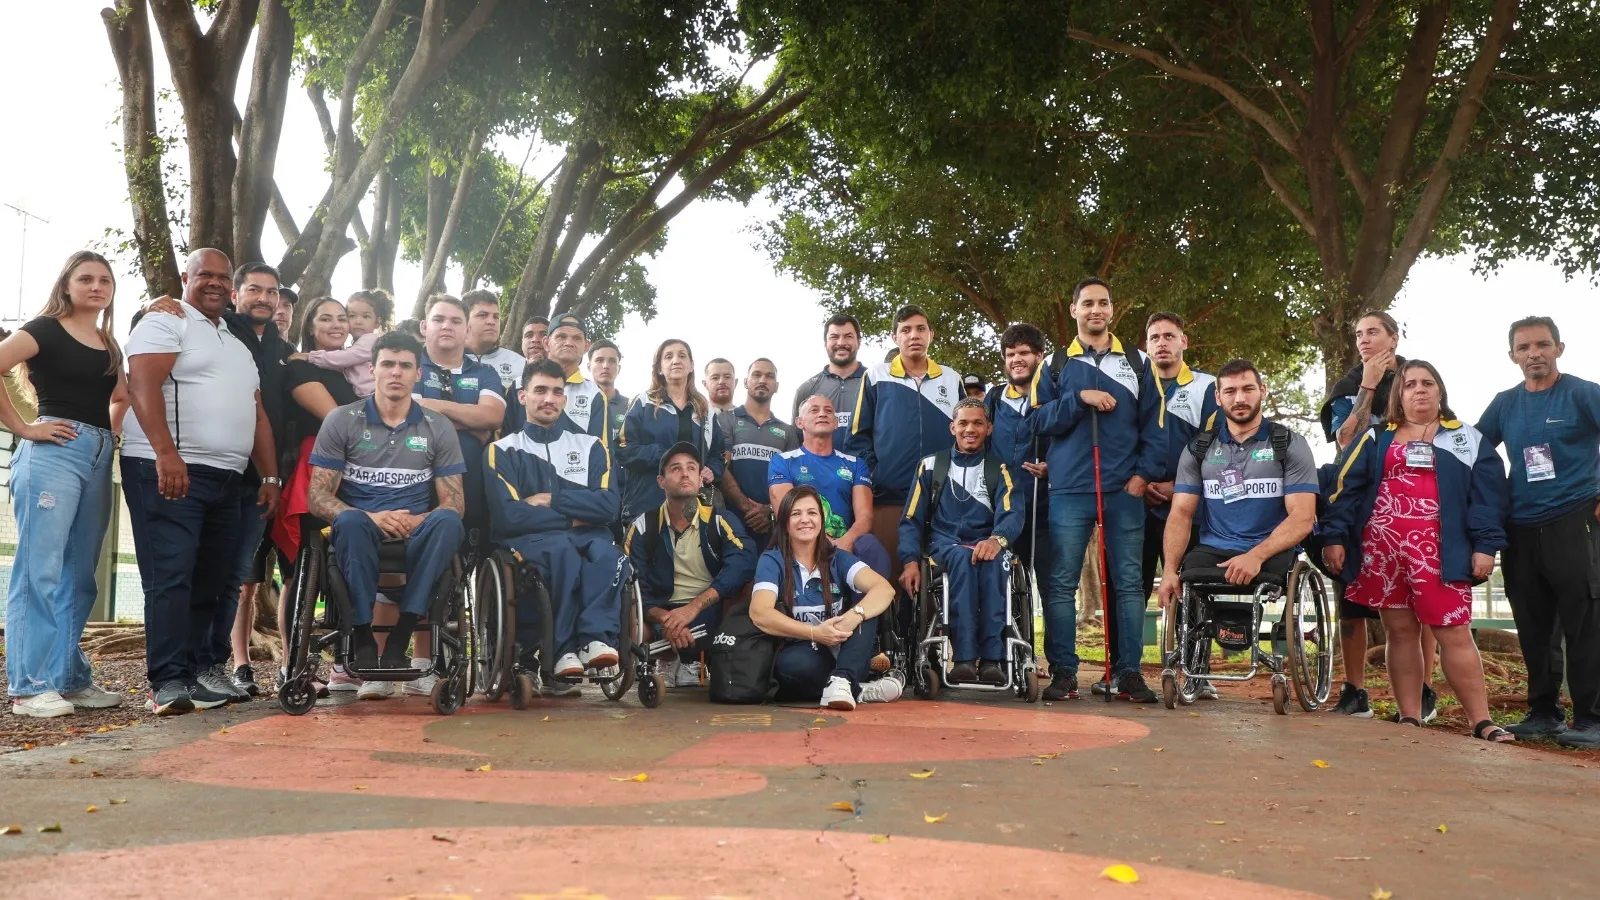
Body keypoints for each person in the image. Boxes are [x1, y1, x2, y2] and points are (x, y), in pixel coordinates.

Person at [122, 248, 281, 716]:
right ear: (185, 278)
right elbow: (141, 386)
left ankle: (195, 672)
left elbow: (257, 414)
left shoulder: (234, 341)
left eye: (222, 277)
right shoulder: (165, 321)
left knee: (211, 580)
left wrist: (269, 475)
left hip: (227, 478)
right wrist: (166, 453)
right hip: (170, 470)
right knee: (171, 576)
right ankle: (167, 681)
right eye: (204, 274)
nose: (214, 283)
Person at [1321, 361, 1514, 741]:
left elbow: (1489, 498)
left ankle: (1482, 721)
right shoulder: (1376, 436)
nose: (1419, 389)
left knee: (1454, 631)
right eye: (1410, 384)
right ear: (1399, 395)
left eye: (1427, 383)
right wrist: (1334, 537)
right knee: (1400, 632)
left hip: (1442, 553)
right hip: (1383, 553)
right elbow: (1345, 487)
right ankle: (1410, 717)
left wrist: (1485, 546)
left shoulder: (1466, 438)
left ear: (1440, 391)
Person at [1, 251, 128, 718]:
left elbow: (121, 396)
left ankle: (67, 679)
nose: (96, 286)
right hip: (53, 453)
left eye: (104, 280)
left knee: (79, 576)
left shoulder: (109, 343)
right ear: (67, 285)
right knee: (40, 571)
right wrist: (23, 427)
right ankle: (28, 688)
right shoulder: (44, 329)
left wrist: (112, 434)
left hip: (98, 455)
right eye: (86, 278)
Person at [1028, 277, 1165, 702]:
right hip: (1069, 489)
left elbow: (1155, 427)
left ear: (1112, 309)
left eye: (1103, 303)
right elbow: (1036, 420)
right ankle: (1064, 673)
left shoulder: (1139, 362)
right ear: (1074, 310)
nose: (1096, 310)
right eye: (1087, 303)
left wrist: (1142, 476)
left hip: (1123, 490)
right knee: (1060, 584)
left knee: (1129, 584)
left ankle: (1129, 673)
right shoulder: (1054, 364)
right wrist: (1079, 397)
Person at [306, 331, 467, 673]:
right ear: (372, 369)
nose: (396, 372)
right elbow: (317, 497)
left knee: (449, 522)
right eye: (388, 364)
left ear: (418, 373)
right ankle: (363, 637)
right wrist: (371, 517)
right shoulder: (341, 420)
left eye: (405, 365)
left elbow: (454, 501)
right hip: (360, 526)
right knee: (350, 521)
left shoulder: (438, 426)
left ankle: (403, 633)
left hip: (415, 528)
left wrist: (418, 520)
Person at [1157, 360, 1318, 697]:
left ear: (1263, 391)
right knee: (1187, 578)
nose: (1239, 398)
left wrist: (1255, 556)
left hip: (1271, 548)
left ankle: (1275, 664)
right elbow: (1181, 513)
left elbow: (1303, 518)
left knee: (1273, 562)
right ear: (1218, 397)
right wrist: (1169, 570)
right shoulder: (1199, 448)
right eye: (1230, 391)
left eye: (1247, 389)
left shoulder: (1288, 443)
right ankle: (1189, 668)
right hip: (1215, 546)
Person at [1476, 316, 1600, 748]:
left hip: (1575, 516)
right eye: (1525, 347)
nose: (1534, 354)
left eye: (1543, 345)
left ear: (1559, 349)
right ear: (1512, 356)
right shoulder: (1505, 404)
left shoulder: (1583, 393)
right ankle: (1544, 713)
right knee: (1533, 623)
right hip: (1521, 526)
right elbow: (1472, 452)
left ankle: (1591, 718)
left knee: (1584, 621)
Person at [486, 359, 624, 682]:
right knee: (563, 552)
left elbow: (608, 507)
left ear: (564, 399)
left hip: (590, 537)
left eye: (557, 392)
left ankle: (594, 639)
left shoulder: (592, 447)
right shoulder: (501, 450)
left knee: (609, 555)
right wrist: (573, 519)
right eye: (540, 390)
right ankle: (562, 650)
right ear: (522, 396)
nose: (549, 398)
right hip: (531, 542)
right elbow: (509, 515)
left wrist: (551, 500)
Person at [270, 297, 361, 694]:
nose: (336, 324)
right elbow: (337, 418)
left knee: (351, 564)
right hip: (316, 469)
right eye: (326, 318)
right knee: (300, 570)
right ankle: (292, 664)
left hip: (360, 471)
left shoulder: (355, 370)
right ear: (310, 326)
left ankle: (347, 662)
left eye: (343, 318)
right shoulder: (300, 366)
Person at [897, 400, 1023, 684]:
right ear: (952, 427)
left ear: (989, 428)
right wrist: (909, 561)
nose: (970, 429)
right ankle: (964, 659)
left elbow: (1013, 513)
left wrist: (997, 540)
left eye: (978, 423)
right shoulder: (930, 466)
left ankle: (992, 660)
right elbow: (911, 519)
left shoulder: (1001, 469)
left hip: (989, 543)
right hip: (946, 545)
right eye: (963, 423)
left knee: (993, 563)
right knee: (963, 560)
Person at [1320, 311, 1408, 716]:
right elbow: (1345, 441)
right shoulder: (1349, 386)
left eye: (1373, 332)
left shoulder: (1416, 378)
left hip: (1408, 502)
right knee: (1350, 602)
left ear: (1394, 337)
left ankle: (1421, 692)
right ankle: (1354, 691)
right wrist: (1368, 387)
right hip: (1356, 505)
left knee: (1415, 603)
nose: (1364, 340)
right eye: (1358, 334)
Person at [750, 487, 903, 710]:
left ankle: (842, 680)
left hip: (845, 654)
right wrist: (815, 633)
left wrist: (854, 616)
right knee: (794, 666)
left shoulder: (837, 558)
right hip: (801, 652)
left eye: (812, 513)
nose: (805, 520)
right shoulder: (772, 560)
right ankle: (858, 690)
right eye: (796, 514)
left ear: (822, 521)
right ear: (785, 523)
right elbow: (760, 613)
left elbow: (884, 589)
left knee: (868, 609)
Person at [626, 442, 756, 688]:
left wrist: (693, 608)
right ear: (661, 481)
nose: (684, 474)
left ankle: (714, 659)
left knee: (751, 588)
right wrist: (667, 619)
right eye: (675, 468)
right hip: (661, 612)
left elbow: (744, 562)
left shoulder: (719, 519)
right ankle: (667, 657)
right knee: (628, 612)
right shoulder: (643, 526)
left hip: (709, 609)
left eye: (691, 468)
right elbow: (633, 585)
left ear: (700, 480)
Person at [852, 305, 963, 573]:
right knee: (890, 576)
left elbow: (968, 434)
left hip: (944, 499)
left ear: (931, 334)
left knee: (941, 579)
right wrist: (876, 474)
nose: (914, 335)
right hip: (890, 498)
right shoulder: (876, 376)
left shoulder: (951, 378)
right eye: (906, 330)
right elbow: (857, 437)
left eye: (921, 329)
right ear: (895, 337)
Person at [414, 294, 505, 549]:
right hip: (415, 482)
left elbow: (493, 416)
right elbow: (407, 416)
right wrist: (471, 423)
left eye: (455, 321)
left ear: (467, 330)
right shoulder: (408, 364)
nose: (447, 326)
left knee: (467, 556)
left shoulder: (485, 372)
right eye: (438, 319)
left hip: (472, 483)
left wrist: (435, 406)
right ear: (424, 326)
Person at [1140, 313, 1219, 605]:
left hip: (1190, 507)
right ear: (1147, 346)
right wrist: (1139, 481)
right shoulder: (1134, 386)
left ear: (1183, 341)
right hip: (1138, 506)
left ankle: (1189, 639)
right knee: (1130, 592)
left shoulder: (1208, 386)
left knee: (1190, 596)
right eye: (1155, 338)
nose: (1162, 343)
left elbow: (1217, 447)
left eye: (1169, 336)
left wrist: (1180, 486)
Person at [769, 394, 892, 579]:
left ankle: (871, 598)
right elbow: (785, 513)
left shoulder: (856, 464)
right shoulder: (782, 461)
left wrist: (845, 542)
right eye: (814, 410)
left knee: (871, 547)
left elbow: (865, 516)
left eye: (828, 411)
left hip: (846, 544)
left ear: (836, 423)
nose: (822, 414)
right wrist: (822, 543)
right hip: (801, 541)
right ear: (799, 422)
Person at [617, 339, 726, 523]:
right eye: (668, 357)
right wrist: (665, 456)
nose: (676, 361)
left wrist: (712, 469)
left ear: (691, 365)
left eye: (682, 356)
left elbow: (719, 453)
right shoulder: (643, 402)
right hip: (647, 504)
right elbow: (622, 448)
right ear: (659, 368)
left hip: (694, 509)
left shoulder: (705, 409)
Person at [984, 323, 1052, 599]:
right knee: (1007, 594)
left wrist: (1054, 467)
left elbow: (1073, 445)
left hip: (1045, 511)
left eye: (1023, 353)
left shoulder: (1053, 396)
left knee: (1052, 592)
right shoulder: (994, 397)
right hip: (1001, 512)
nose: (1016, 360)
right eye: (1010, 354)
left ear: (1040, 356)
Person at [720, 358, 800, 537]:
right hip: (733, 523)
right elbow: (721, 466)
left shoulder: (787, 431)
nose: (763, 380)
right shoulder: (726, 419)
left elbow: (795, 479)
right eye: (756, 375)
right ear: (745, 382)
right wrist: (747, 508)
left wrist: (770, 509)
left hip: (774, 527)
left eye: (769, 376)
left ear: (777, 386)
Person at [792, 314, 869, 456]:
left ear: (859, 341)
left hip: (866, 469)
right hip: (816, 470)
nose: (841, 342)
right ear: (825, 343)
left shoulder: (875, 383)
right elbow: (796, 441)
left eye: (848, 336)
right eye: (834, 337)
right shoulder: (806, 389)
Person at [302, 289, 393, 398]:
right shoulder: (354, 348)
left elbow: (345, 357)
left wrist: (310, 356)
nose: (358, 321)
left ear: (377, 322)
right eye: (352, 316)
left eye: (366, 316)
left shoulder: (371, 341)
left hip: (377, 395)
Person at [543, 314, 609, 441]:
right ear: (546, 343)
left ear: (586, 346)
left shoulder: (595, 394)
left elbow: (601, 449)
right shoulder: (521, 385)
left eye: (577, 338)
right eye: (561, 336)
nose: (569, 343)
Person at [462, 290, 525, 394]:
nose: (491, 322)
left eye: (496, 317)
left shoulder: (519, 363)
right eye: (483, 315)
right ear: (464, 319)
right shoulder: (448, 358)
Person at [588, 339, 628, 446]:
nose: (606, 366)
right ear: (588, 366)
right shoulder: (579, 404)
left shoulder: (632, 407)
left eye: (612, 361)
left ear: (619, 368)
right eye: (599, 360)